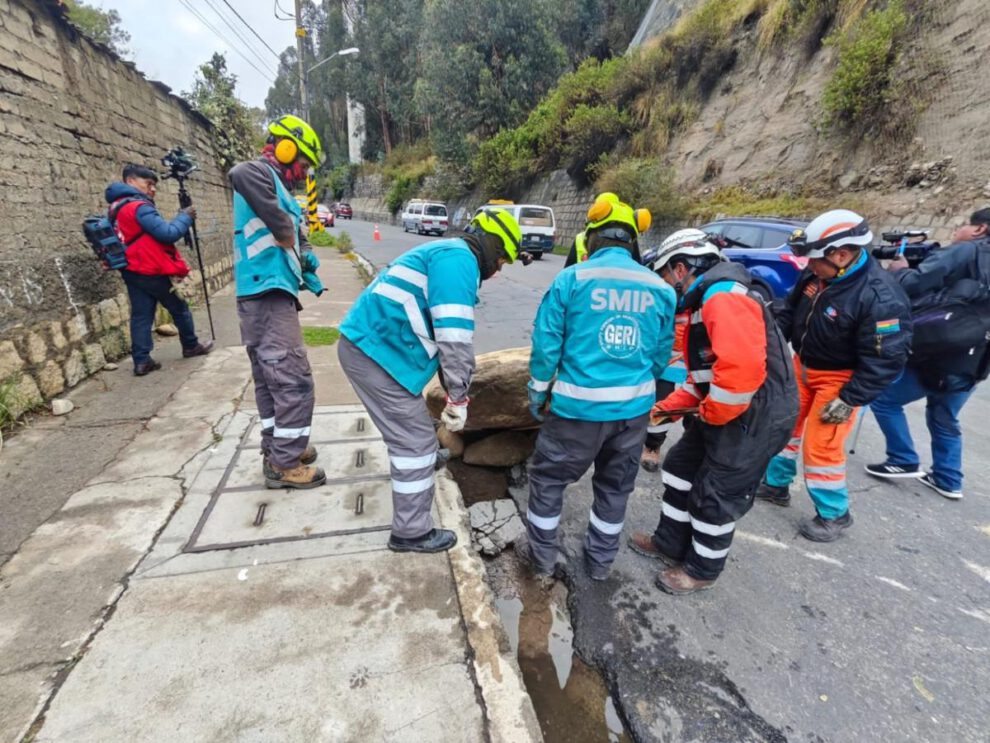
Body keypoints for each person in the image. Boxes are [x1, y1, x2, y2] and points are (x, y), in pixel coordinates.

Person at [338, 208, 526, 554]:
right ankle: (411, 532)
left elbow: (442, 340)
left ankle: (422, 466)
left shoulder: (450, 256)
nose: (499, 269)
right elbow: (454, 340)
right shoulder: (459, 263)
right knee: (414, 443)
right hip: (376, 355)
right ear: (490, 243)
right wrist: (458, 398)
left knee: (416, 432)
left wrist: (456, 392)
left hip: (376, 350)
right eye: (501, 259)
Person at [627, 229, 798, 595]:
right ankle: (670, 543)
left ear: (680, 268)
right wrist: (664, 409)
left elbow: (738, 378)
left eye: (663, 277)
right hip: (731, 409)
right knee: (679, 468)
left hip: (754, 416)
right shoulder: (706, 301)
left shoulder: (723, 299)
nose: (665, 287)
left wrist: (709, 416)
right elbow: (704, 378)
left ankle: (702, 570)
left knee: (716, 493)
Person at [520, 193, 677, 581]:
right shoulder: (660, 288)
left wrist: (539, 393)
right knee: (614, 488)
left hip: (576, 413)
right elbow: (660, 355)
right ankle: (599, 563)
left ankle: (541, 557)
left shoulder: (573, 279)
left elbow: (546, 346)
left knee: (549, 479)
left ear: (592, 238)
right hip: (632, 414)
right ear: (633, 241)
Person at [756, 210, 912, 541]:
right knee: (785, 426)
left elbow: (886, 359)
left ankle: (834, 514)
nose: (809, 266)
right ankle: (776, 485)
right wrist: (765, 346)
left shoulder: (880, 297)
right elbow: (786, 311)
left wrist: (850, 398)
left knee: (821, 447)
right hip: (803, 365)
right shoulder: (817, 275)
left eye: (814, 260)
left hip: (840, 380)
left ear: (841, 254)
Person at [229, 114, 327, 490]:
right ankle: (285, 464)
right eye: (301, 163)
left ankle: (280, 447)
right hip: (265, 294)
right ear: (285, 149)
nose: (303, 172)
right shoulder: (256, 172)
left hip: (267, 292)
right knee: (293, 380)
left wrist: (306, 258)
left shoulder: (276, 186)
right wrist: (285, 232)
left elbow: (294, 231)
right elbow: (238, 172)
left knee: (271, 380)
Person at [865, 208, 990, 499]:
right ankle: (948, 478)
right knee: (944, 413)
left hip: (939, 348)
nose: (958, 229)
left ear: (979, 229)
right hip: (977, 357)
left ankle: (903, 458)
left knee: (883, 398)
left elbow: (912, 284)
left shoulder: (967, 252)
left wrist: (901, 270)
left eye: (963, 224)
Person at [105, 164, 213, 376]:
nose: (152, 189)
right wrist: (185, 216)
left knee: (141, 315)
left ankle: (142, 361)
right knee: (179, 308)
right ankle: (191, 345)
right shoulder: (139, 206)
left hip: (131, 269)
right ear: (130, 182)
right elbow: (168, 233)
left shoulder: (114, 208)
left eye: (154, 185)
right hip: (152, 268)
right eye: (148, 184)